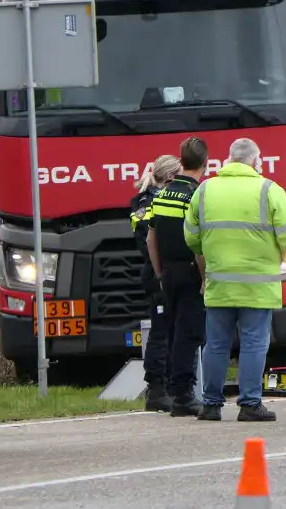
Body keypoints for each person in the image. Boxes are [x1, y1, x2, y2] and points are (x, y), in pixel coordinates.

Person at [185, 138, 286, 422]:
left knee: (216, 345)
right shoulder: (268, 190)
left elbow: (191, 235)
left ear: (228, 159)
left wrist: (209, 253)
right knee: (253, 344)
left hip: (219, 283)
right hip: (257, 285)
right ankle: (249, 404)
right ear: (255, 161)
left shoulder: (205, 189)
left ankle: (211, 405)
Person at [147, 137, 209, 416]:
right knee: (189, 334)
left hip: (168, 272)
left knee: (171, 333)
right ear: (205, 164)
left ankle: (174, 390)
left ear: (181, 162)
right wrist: (205, 277)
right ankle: (184, 395)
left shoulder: (161, 194)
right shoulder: (196, 196)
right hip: (189, 271)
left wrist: (160, 271)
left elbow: (151, 238)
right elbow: (197, 243)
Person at [131, 154, 183, 411]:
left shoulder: (152, 199)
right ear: (171, 177)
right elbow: (147, 240)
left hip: (163, 273)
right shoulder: (147, 201)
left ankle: (169, 388)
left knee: (171, 333)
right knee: (161, 334)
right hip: (157, 275)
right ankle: (156, 389)